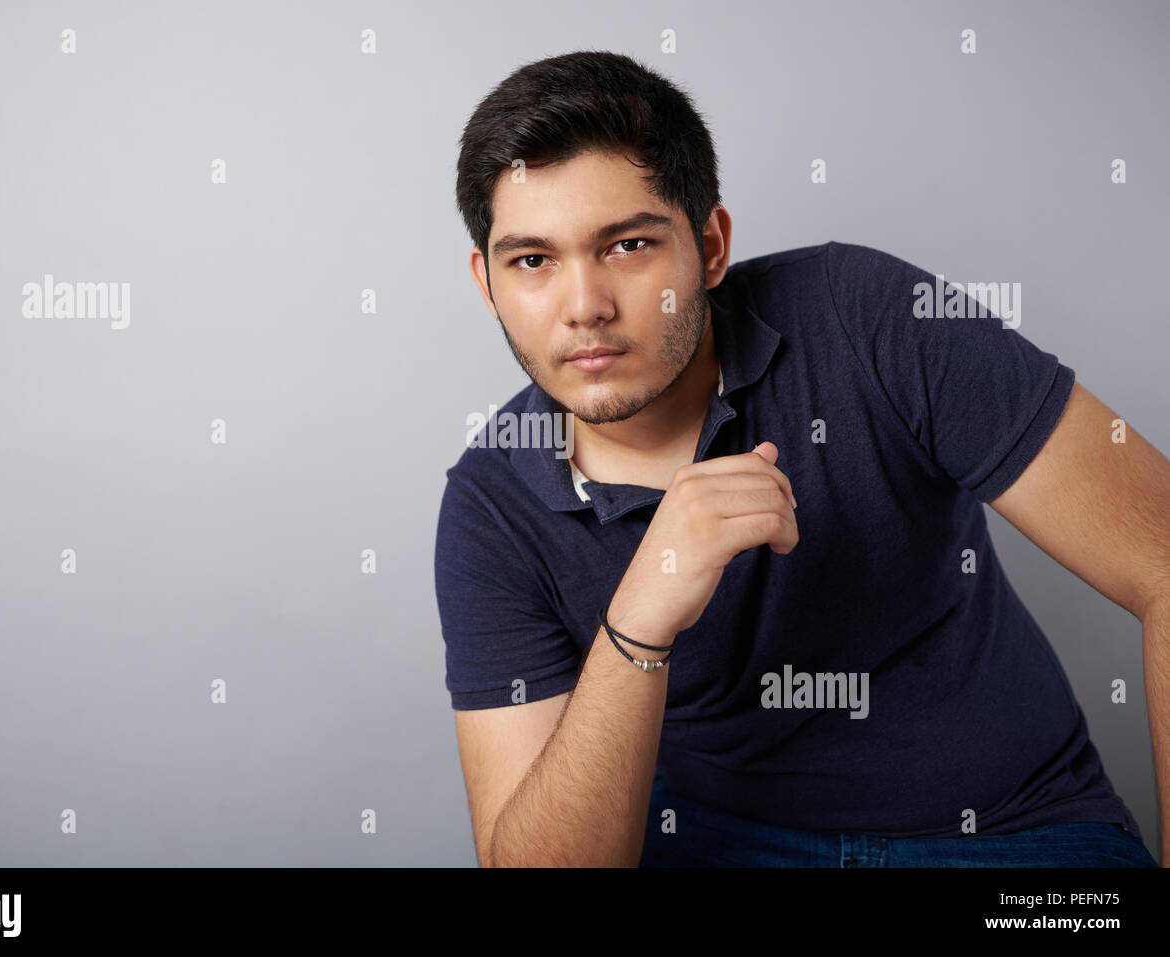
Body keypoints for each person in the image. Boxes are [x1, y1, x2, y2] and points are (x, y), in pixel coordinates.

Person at [434, 50, 1170, 867]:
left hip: (1011, 836)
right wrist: (636, 618)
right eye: (533, 261)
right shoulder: (490, 501)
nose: (584, 309)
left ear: (710, 246)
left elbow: (1165, 561)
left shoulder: (863, 314)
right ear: (488, 282)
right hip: (720, 841)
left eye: (629, 245)